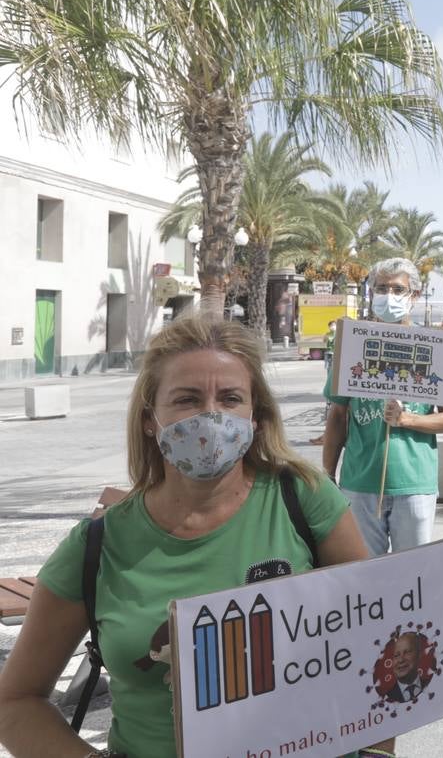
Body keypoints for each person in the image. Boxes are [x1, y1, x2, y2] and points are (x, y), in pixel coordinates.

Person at [0, 316, 373, 758]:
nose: (211, 415)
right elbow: (15, 702)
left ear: (255, 417)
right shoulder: (98, 545)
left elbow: (373, 641)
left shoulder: (304, 500)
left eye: (231, 398)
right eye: (187, 399)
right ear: (149, 420)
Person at [322, 258, 443, 557]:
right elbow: (337, 415)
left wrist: (407, 419)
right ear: (372, 293)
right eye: (382, 288)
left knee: (412, 574)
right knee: (365, 575)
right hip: (359, 483)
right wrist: (328, 474)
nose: (389, 296)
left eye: (398, 289)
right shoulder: (353, 347)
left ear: (415, 296)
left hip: (414, 484)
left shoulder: (436, 349)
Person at [385, 632, 430, 703]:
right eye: (396, 655)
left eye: (407, 652)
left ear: (419, 654)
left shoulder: (430, 684)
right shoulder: (388, 696)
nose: (401, 660)